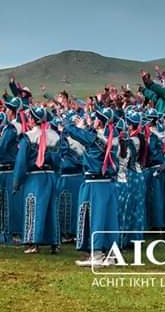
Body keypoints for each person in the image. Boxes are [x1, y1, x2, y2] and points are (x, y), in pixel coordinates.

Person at [63, 107, 121, 267]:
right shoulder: (112, 136)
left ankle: (96, 254)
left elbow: (72, 131)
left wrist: (71, 122)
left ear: (101, 122)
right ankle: (111, 255)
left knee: (94, 218)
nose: (94, 120)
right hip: (107, 184)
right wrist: (87, 126)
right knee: (109, 220)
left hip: (94, 185)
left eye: (97, 119)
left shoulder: (94, 138)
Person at [13, 106, 60, 254]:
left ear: (33, 120)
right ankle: (54, 242)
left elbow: (21, 162)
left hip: (35, 177)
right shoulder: (55, 136)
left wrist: (17, 182)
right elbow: (58, 160)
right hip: (50, 175)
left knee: (33, 207)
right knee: (51, 209)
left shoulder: (28, 137)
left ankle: (33, 242)